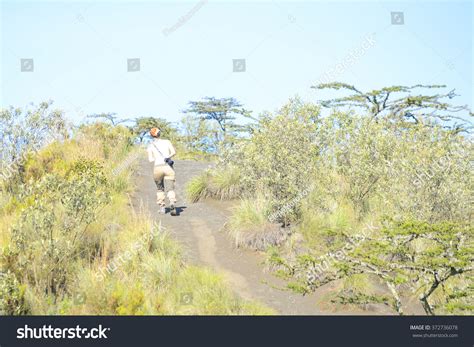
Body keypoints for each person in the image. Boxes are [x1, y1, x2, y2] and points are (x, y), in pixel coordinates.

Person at [147, 127, 177, 215]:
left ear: (152, 136)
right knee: (170, 188)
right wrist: (167, 157)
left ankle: (162, 208)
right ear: (159, 134)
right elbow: (173, 152)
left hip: (157, 167)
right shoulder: (167, 142)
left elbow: (150, 159)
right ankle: (172, 202)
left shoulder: (150, 145)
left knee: (160, 189)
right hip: (168, 166)